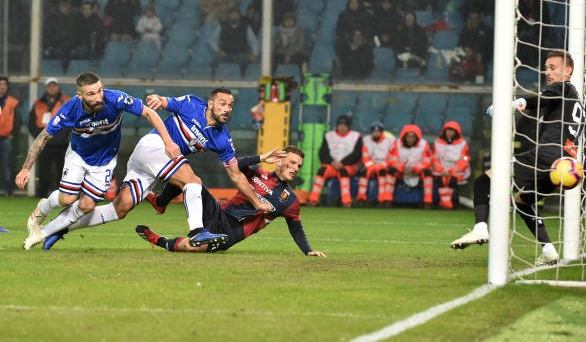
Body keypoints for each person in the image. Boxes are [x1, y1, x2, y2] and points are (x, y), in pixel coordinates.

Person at [41, 88, 274, 250]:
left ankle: (61, 229)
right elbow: (166, 102)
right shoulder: (192, 104)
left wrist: (256, 202)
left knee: (118, 210)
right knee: (193, 182)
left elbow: (236, 175)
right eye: (222, 104)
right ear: (210, 103)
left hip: (154, 165)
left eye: (231, 105)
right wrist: (158, 100)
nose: (227, 109)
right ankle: (197, 231)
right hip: (154, 147)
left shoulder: (222, 139)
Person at [17, 71, 180, 250]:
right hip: (78, 156)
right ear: (80, 96)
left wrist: (169, 143)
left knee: (87, 206)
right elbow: (43, 137)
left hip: (105, 161)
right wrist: (26, 168)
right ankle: (42, 209)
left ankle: (43, 233)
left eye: (99, 90)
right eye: (91, 94)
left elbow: (150, 113)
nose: (98, 97)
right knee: (66, 199)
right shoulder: (70, 109)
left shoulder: (116, 99)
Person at [451, 50, 585, 266]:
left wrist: (512, 104)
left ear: (568, 70)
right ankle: (549, 249)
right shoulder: (575, 100)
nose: (547, 72)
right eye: (546, 67)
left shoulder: (563, 88)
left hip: (547, 156)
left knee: (484, 181)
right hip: (563, 166)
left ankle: (479, 228)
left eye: (553, 67)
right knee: (522, 200)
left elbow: (543, 98)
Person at [138, 146, 326, 257]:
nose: (295, 168)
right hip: (218, 212)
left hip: (231, 233)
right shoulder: (258, 172)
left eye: (298, 166)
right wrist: (261, 158)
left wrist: (308, 251)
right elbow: (235, 163)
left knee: (192, 247)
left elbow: (296, 228)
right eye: (292, 162)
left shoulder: (290, 200)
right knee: (187, 177)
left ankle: (159, 240)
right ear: (279, 161)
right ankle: (161, 202)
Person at [27, 78, 71, 198]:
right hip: (44, 144)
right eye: (50, 86)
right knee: (43, 171)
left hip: (61, 144)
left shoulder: (66, 102)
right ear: (46, 88)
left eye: (54, 86)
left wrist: (59, 138)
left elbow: (70, 123)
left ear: (58, 87)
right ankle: (41, 195)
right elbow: (32, 124)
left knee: (62, 171)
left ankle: (61, 196)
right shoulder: (38, 103)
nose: (52, 88)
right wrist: (41, 138)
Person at [307, 115, 363, 207]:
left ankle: (346, 201)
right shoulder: (329, 136)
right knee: (322, 171)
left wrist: (343, 163)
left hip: (349, 166)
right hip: (332, 165)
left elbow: (357, 154)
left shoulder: (356, 136)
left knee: (343, 171)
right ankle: (313, 199)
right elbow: (323, 153)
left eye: (345, 125)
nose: (342, 128)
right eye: (340, 125)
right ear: (337, 126)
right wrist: (332, 162)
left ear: (348, 126)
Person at [388, 124, 434, 208]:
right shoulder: (396, 144)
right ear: (404, 137)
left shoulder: (424, 145)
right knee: (391, 171)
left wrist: (416, 169)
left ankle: (428, 202)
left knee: (428, 173)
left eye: (413, 137)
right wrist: (402, 168)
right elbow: (392, 159)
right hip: (401, 171)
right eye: (408, 137)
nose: (410, 139)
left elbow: (427, 161)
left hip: (417, 172)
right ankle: (387, 200)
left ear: (417, 137)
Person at [431, 121, 471, 209]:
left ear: (456, 132)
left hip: (457, 170)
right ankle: (447, 203)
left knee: (452, 180)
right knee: (441, 180)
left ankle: (445, 202)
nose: (450, 133)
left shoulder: (462, 144)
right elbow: (434, 158)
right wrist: (441, 169)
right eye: (448, 130)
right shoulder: (437, 143)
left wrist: (452, 170)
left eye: (452, 131)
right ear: (444, 131)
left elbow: (464, 160)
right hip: (441, 170)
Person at [208, 8, 259, 76]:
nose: (234, 17)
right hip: (225, 53)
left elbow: (253, 41)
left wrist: (255, 54)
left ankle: (242, 80)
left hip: (240, 54)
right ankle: (211, 79)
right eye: (232, 15)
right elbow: (212, 39)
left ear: (239, 16)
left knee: (244, 61)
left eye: (236, 15)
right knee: (215, 61)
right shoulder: (222, 25)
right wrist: (218, 50)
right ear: (228, 16)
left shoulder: (246, 26)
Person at [356, 121, 395, 207]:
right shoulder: (366, 140)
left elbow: (391, 157)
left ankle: (382, 200)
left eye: (378, 131)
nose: (376, 133)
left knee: (383, 173)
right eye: (374, 131)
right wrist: (371, 166)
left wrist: (380, 166)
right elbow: (365, 156)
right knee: (363, 173)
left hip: (384, 165)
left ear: (381, 131)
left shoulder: (390, 141)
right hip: (370, 165)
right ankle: (361, 199)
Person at [0, 76, 20, 197]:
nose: (2, 86)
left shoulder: (13, 102)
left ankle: (9, 191)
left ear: (7, 87)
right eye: (0, 84)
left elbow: (18, 120)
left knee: (8, 165)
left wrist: (13, 134)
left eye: (4, 84)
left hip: (6, 138)